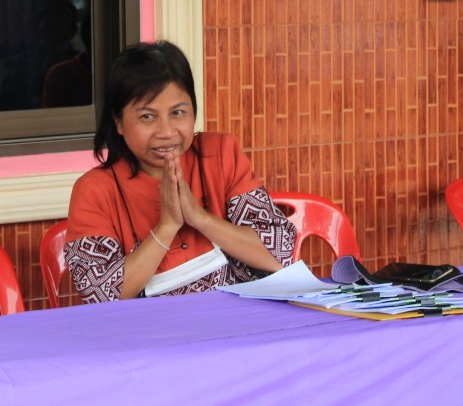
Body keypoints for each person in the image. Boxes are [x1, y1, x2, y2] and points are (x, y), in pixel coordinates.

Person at [64, 41, 295, 302]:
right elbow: (99, 296)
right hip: (150, 328)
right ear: (118, 121)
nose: (166, 132)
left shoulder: (220, 154)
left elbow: (279, 253)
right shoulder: (94, 190)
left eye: (177, 112)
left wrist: (199, 217)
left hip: (237, 320)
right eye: (147, 117)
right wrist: (167, 226)